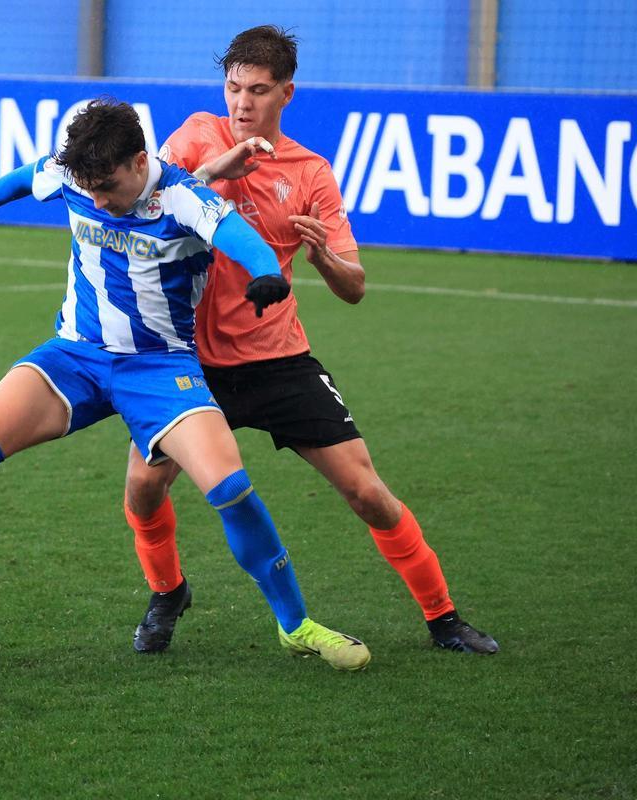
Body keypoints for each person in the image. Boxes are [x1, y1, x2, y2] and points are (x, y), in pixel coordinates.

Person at [0, 99, 371, 670]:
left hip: (158, 368)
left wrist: (267, 272)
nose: (96, 199)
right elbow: (30, 176)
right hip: (76, 354)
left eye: (106, 186)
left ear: (138, 160)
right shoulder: (78, 172)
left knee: (229, 487)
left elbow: (237, 233)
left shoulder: (182, 197)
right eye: (88, 187)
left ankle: (295, 625)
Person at [125, 26, 498, 655]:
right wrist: (213, 175)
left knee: (366, 491)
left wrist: (323, 254)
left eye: (258, 90)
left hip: (278, 362)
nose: (242, 103)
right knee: (143, 486)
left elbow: (353, 286)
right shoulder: (193, 137)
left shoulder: (310, 174)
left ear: (286, 93)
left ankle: (443, 618)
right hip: (187, 364)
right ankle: (168, 593)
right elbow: (147, 210)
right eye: (233, 87)